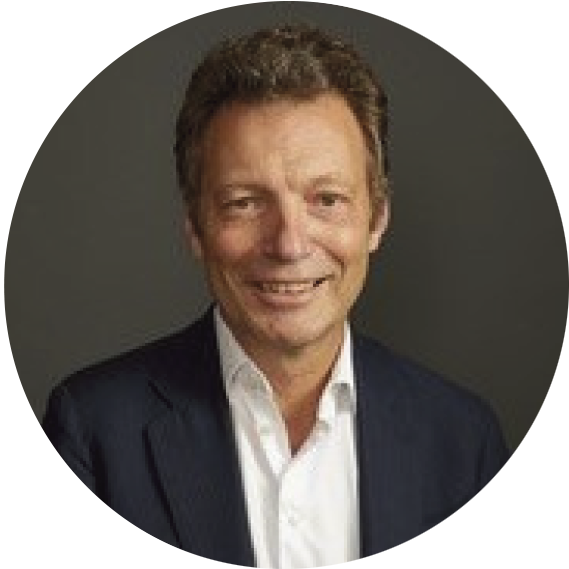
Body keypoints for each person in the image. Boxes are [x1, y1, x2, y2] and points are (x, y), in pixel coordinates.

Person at [43, 24, 509, 567]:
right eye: (244, 203)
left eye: (326, 199)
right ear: (195, 228)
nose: (289, 244)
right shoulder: (91, 434)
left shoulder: (463, 441)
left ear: (377, 219)